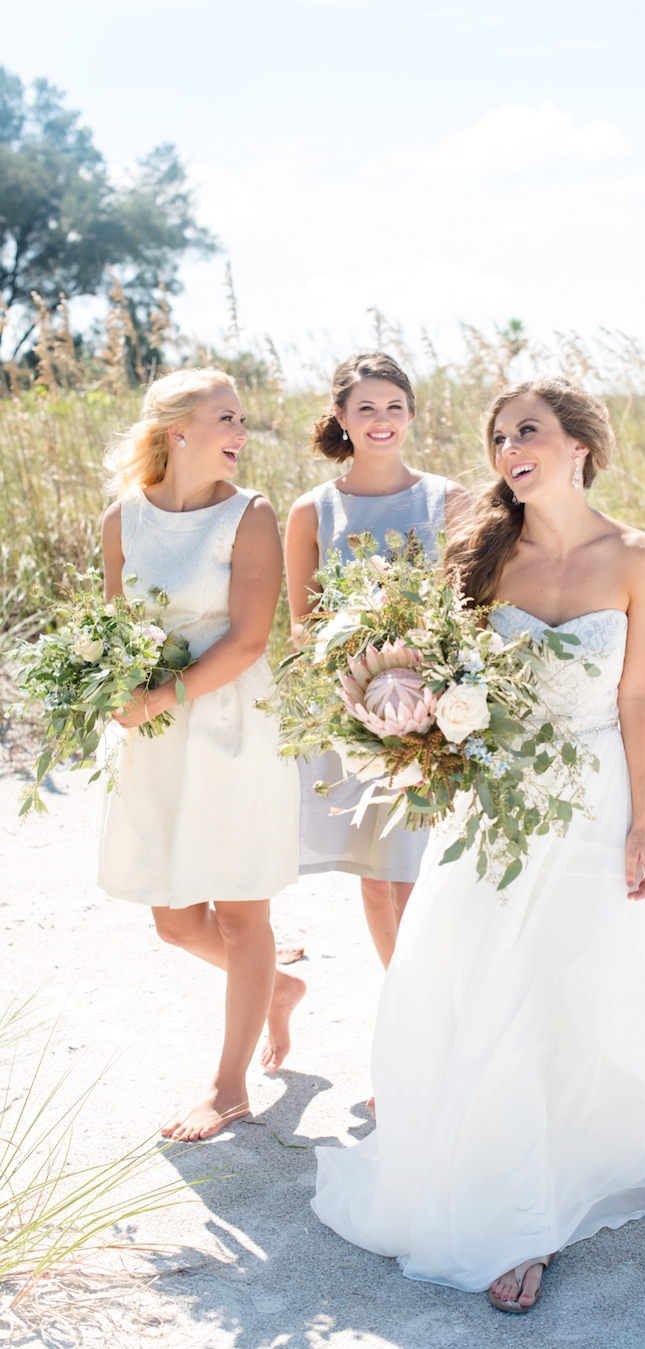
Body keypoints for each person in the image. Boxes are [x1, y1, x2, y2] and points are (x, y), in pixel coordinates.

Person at [311, 378, 645, 1312]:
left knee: (585, 974)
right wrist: (401, 709)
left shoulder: (640, 555)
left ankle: (625, 1146)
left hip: (594, 795)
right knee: (495, 980)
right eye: (496, 437)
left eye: (526, 430)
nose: (506, 449)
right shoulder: (481, 554)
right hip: (495, 802)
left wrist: (644, 819)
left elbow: (637, 698)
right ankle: (516, 1211)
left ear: (580, 444)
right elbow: (425, 665)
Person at [99, 368, 302, 1140]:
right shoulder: (122, 519)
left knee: (242, 910)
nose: (240, 432)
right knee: (176, 921)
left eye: (240, 418)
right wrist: (113, 691)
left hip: (229, 726)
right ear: (178, 428)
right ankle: (277, 988)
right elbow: (114, 627)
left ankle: (229, 1086)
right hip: (156, 735)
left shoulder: (250, 515)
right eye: (227, 417)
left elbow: (250, 639)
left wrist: (157, 698)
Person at [283, 352, 470, 976]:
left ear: (412, 414)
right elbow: (302, 627)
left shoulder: (449, 500)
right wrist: (352, 707)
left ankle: (432, 993)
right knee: (375, 868)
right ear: (341, 417)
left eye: (394, 407)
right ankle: (403, 997)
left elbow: (473, 608)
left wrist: (445, 697)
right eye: (365, 408)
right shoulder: (312, 511)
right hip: (356, 711)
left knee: (417, 868)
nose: (381, 420)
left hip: (438, 713)